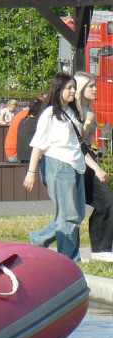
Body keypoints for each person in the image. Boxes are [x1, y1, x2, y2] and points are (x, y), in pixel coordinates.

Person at [23, 72, 108, 261]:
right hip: (58, 166)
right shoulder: (50, 114)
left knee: (76, 215)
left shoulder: (71, 113)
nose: (72, 91)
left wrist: (97, 169)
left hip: (76, 166)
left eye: (74, 88)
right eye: (69, 88)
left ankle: (39, 239)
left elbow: (79, 146)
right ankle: (69, 258)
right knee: (68, 215)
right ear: (58, 89)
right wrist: (31, 172)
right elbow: (39, 144)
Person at [75, 71, 113, 259]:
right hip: (77, 158)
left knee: (106, 201)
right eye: (91, 86)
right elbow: (76, 141)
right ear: (81, 88)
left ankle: (102, 249)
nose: (95, 88)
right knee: (73, 212)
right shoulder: (74, 110)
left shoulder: (89, 108)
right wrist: (88, 123)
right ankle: (42, 238)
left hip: (89, 155)